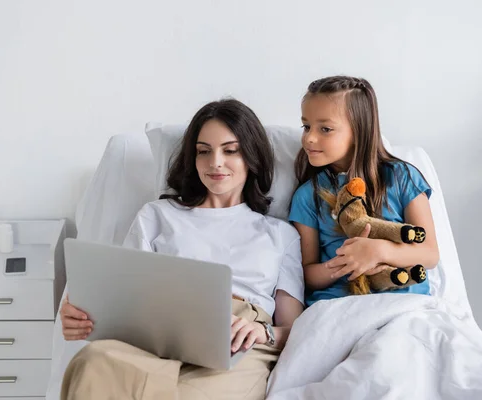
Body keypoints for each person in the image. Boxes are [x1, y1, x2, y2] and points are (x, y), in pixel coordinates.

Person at [60, 98, 304, 400]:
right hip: (159, 333)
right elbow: (125, 294)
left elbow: (295, 329)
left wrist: (264, 333)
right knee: (92, 363)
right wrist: (84, 315)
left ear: (252, 158)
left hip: (237, 338)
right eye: (204, 151)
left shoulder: (281, 235)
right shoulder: (156, 215)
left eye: (230, 150)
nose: (215, 162)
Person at [289, 75, 440, 306]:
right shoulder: (308, 195)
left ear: (359, 131)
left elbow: (429, 254)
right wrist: (346, 264)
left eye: (325, 129)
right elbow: (306, 274)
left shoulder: (401, 177)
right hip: (340, 305)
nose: (309, 138)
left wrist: (379, 250)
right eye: (306, 126)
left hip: (403, 304)